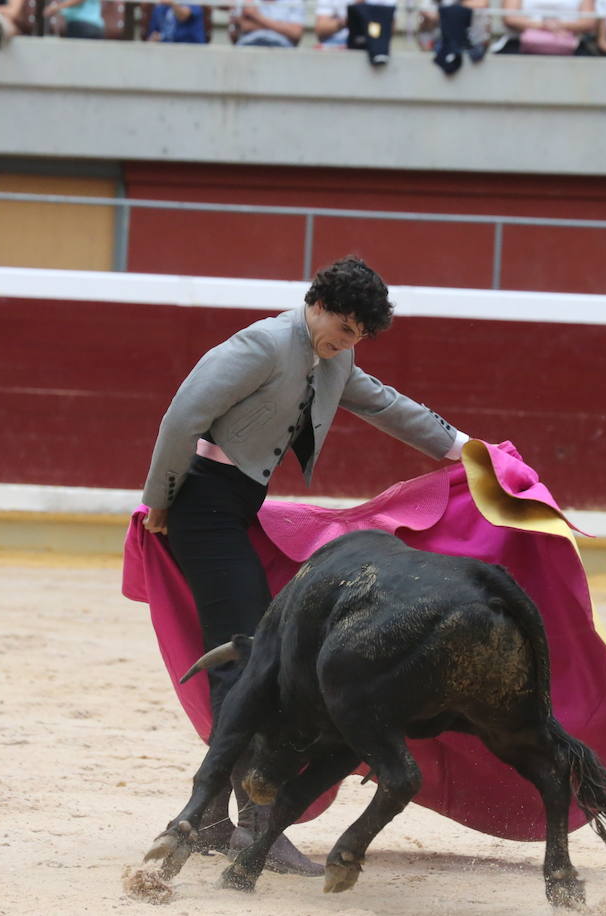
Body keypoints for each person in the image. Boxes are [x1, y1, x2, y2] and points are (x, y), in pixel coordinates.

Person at [140, 255, 472, 876]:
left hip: (238, 509)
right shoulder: (262, 344)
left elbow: (385, 404)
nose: (348, 345)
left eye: (358, 337)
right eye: (345, 329)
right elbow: (183, 416)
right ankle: (251, 828)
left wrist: (465, 450)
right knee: (248, 662)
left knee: (247, 657)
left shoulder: (333, 356)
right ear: (317, 304)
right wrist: (159, 501)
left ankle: (211, 817)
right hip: (203, 508)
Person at [233, 0, 305, 47]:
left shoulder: (294, 1)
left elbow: (295, 33)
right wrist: (281, 27)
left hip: (281, 48)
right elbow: (242, 28)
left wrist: (256, 16)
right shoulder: (246, 1)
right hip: (248, 45)